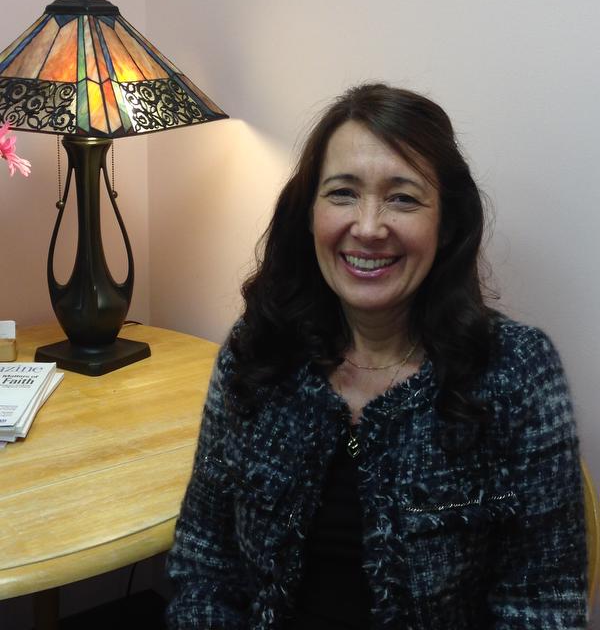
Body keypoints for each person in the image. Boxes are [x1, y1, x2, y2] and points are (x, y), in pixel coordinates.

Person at [166, 83, 587, 629]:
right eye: (342, 193)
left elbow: (542, 609)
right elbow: (204, 569)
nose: (367, 227)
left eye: (403, 197)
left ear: (447, 223)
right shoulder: (259, 351)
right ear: (308, 211)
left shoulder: (515, 373)